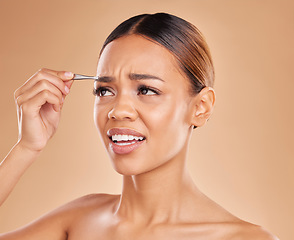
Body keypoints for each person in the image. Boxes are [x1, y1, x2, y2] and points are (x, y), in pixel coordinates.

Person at [0, 13, 278, 240]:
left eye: (146, 90)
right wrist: (27, 147)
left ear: (200, 107)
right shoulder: (78, 221)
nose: (118, 110)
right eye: (105, 91)